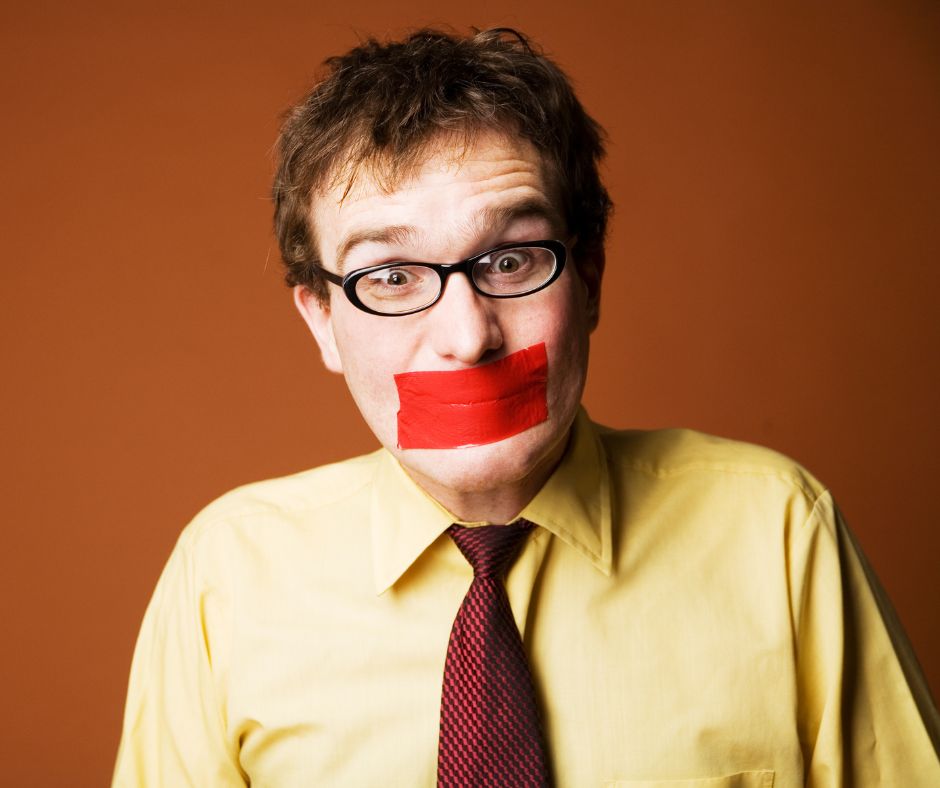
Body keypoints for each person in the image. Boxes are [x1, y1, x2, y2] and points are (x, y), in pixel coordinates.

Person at [112, 28, 940, 786]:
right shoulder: (226, 576)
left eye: (510, 259)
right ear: (322, 321)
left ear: (589, 279)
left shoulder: (779, 532)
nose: (467, 336)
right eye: (392, 277)